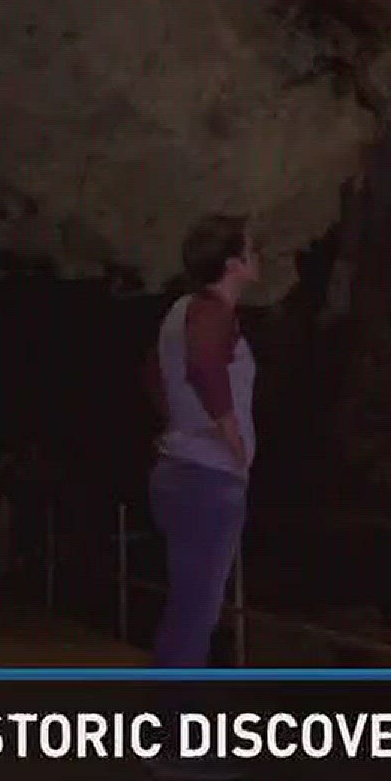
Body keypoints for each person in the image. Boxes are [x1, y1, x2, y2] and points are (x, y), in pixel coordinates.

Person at [142, 215, 259, 673]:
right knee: (198, 612)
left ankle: (167, 723)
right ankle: (175, 733)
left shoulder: (180, 311)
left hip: (179, 469)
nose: (259, 256)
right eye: (252, 249)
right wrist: (233, 440)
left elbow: (153, 374)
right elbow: (205, 368)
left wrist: (179, 424)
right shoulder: (212, 312)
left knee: (187, 607)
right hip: (207, 478)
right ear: (233, 264)